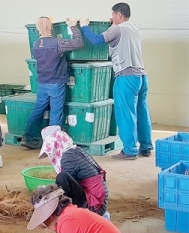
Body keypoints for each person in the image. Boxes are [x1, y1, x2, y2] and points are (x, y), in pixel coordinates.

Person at [79, 3, 153, 160]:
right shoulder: (133, 28)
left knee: (126, 114)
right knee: (141, 112)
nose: (112, 17)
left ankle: (130, 151)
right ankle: (146, 147)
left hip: (126, 78)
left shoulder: (117, 29)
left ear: (119, 15)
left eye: (113, 15)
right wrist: (113, 24)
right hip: (141, 77)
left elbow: (96, 40)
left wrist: (84, 26)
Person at [21, 17, 84, 149]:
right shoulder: (57, 43)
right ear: (51, 27)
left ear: (38, 28)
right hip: (56, 83)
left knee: (37, 110)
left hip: (42, 83)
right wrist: (73, 26)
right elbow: (78, 43)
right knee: (56, 112)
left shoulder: (36, 44)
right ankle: (52, 142)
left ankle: (28, 137)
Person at [38, 126, 109, 218]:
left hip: (95, 207)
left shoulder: (68, 158)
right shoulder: (75, 151)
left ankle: (65, 215)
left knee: (62, 178)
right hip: (99, 202)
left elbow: (65, 189)